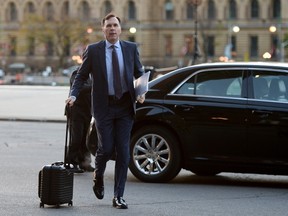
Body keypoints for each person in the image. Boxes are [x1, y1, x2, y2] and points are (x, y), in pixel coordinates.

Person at [65, 13, 145, 209]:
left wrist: (142, 91)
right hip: (104, 107)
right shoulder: (94, 51)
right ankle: (98, 175)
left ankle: (119, 196)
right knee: (106, 149)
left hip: (125, 106)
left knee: (124, 152)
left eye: (115, 25)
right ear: (103, 29)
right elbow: (81, 76)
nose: (112, 29)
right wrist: (73, 95)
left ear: (120, 28)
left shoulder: (130, 48)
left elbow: (139, 72)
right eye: (108, 25)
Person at [65, 68, 94, 173]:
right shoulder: (77, 73)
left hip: (87, 111)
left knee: (85, 139)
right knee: (76, 138)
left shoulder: (94, 74)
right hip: (76, 111)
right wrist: (94, 87)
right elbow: (78, 88)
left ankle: (84, 163)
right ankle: (71, 162)